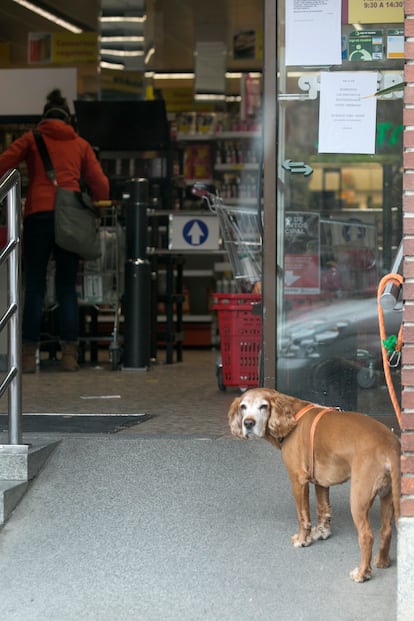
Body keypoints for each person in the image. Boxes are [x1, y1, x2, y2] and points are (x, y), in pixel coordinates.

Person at [0, 89, 110, 373]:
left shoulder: (32, 138)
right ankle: (69, 356)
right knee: (66, 288)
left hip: (38, 215)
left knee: (34, 286)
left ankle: (26, 357)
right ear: (68, 118)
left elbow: (4, 163)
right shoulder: (80, 144)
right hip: (70, 219)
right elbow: (100, 184)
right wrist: (98, 206)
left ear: (44, 116)